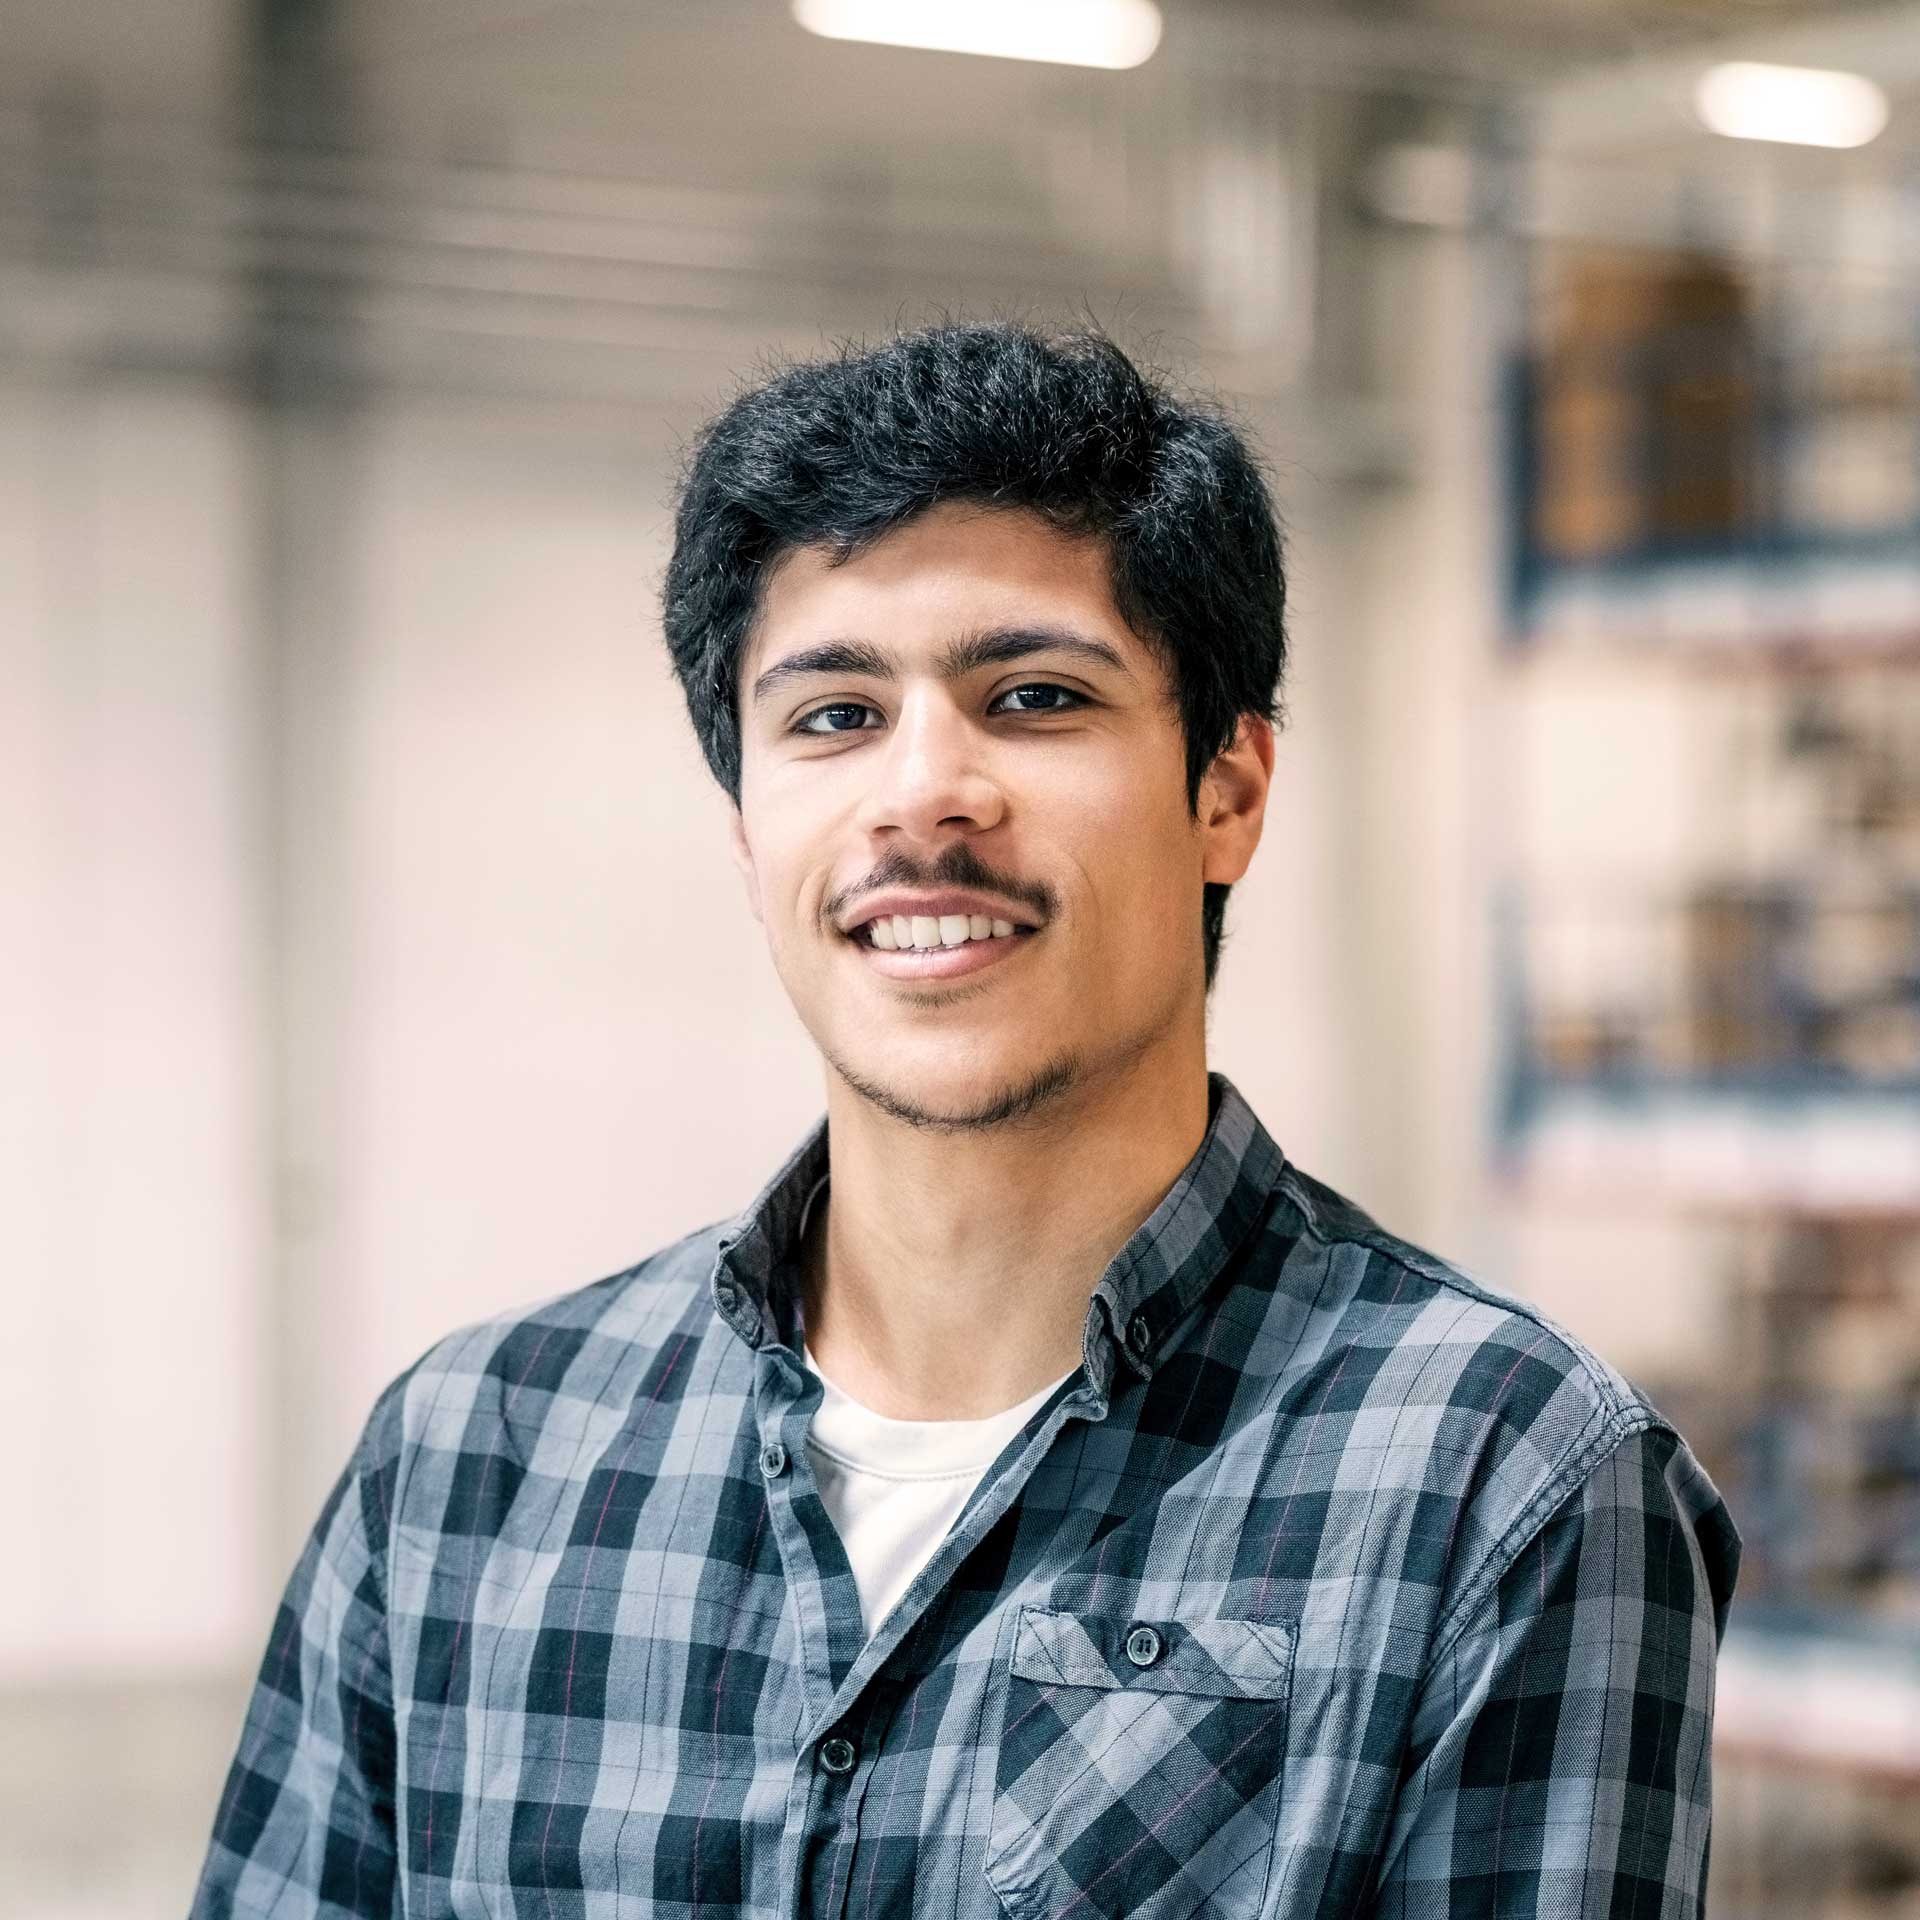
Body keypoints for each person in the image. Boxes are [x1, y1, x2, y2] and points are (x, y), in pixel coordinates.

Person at [190, 318, 1740, 1920]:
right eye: (834, 718)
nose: (922, 795)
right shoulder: (471, 1458)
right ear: (747, 829)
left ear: (1228, 795)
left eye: (1035, 697)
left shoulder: (1505, 1477)